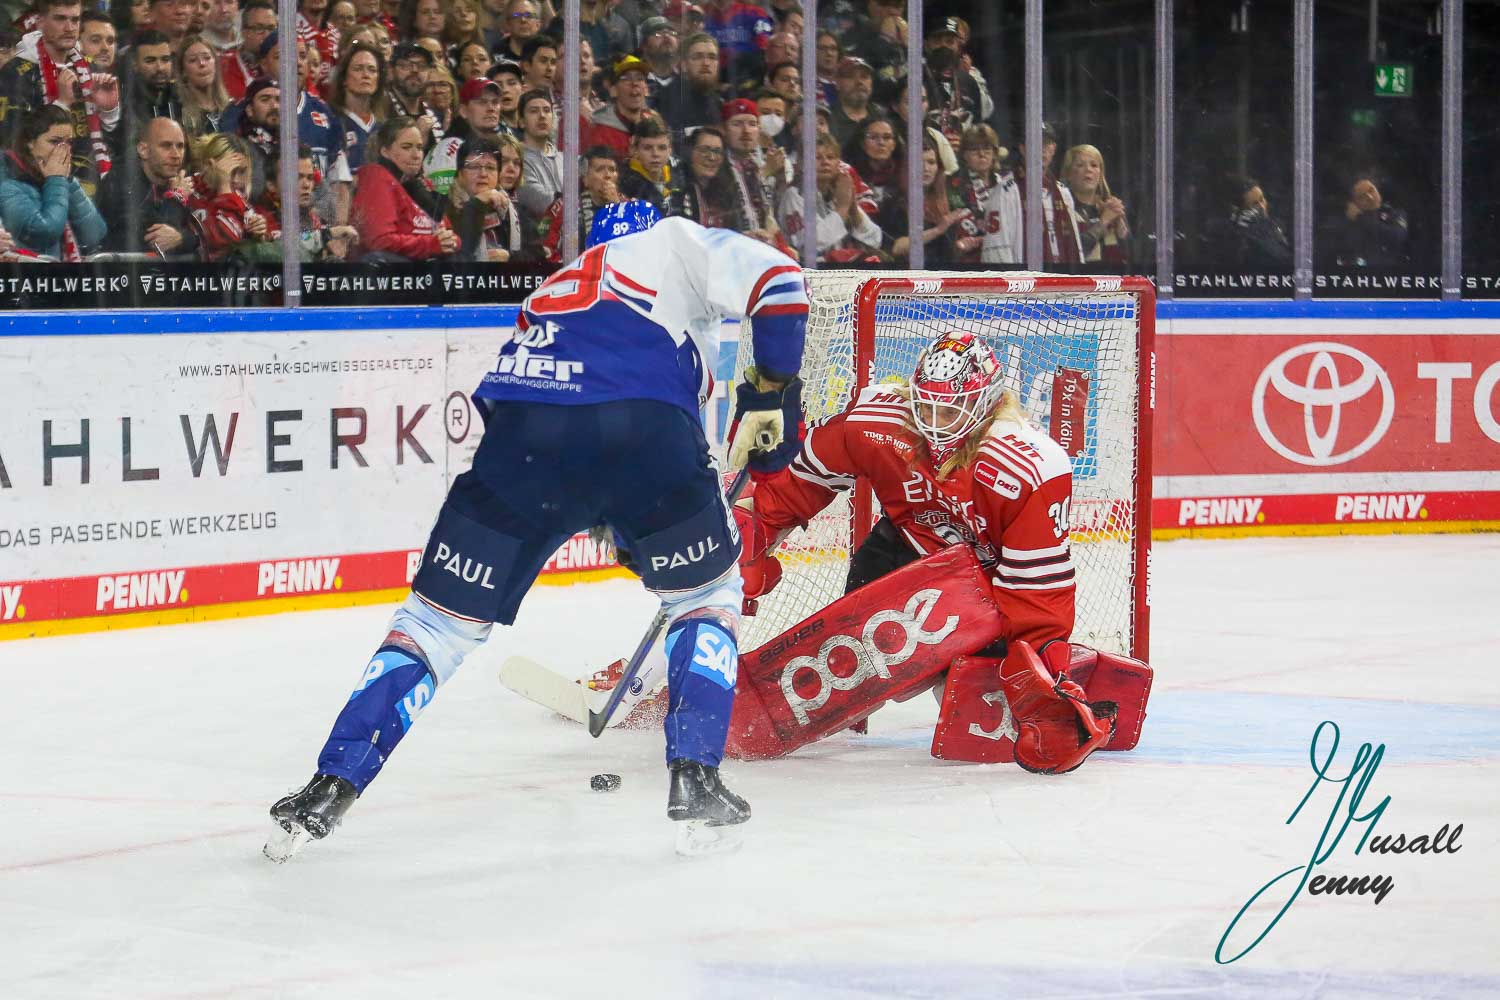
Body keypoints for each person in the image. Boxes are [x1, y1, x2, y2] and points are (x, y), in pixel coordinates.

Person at [264, 203, 809, 861]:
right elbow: (780, 281)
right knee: (704, 596)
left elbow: (547, 415)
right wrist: (774, 387)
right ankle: (696, 777)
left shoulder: (553, 294)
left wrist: (602, 507)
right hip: (643, 429)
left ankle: (330, 785)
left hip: (519, 443)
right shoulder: (673, 242)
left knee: (435, 626)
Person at [717, 331, 1122, 772]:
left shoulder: (1029, 465)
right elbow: (807, 473)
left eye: (948, 408)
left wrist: (1037, 662)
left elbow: (1035, 582)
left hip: (988, 586)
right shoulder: (876, 422)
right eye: (924, 404)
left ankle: (1043, 677)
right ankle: (751, 695)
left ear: (986, 403)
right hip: (901, 554)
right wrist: (757, 529)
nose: (933, 420)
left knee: (977, 693)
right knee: (855, 658)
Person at [0, 0, 119, 199]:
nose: (69, 27)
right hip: (35, 188)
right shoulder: (17, 72)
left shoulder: (91, 69)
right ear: (40, 21)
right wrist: (61, 105)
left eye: (75, 19)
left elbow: (111, 139)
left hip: (93, 186)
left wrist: (109, 110)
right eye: (60, 19)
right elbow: (10, 137)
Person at [0, 103, 107, 257]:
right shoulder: (6, 179)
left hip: (51, 276)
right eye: (55, 142)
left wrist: (66, 181)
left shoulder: (58, 178)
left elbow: (94, 234)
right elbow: (44, 233)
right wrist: (56, 179)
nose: (63, 149)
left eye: (68, 142)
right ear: (30, 143)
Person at [350, 114, 457, 260]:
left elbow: (451, 235)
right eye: (407, 147)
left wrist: (448, 241)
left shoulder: (414, 185)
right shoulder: (376, 177)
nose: (416, 155)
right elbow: (379, 241)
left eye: (419, 148)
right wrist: (431, 244)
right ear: (385, 151)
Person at [95, 114, 199, 257]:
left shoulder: (181, 182)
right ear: (143, 150)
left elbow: (202, 236)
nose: (176, 155)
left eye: (180, 146)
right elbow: (153, 239)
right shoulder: (121, 182)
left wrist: (182, 238)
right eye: (166, 146)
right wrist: (176, 197)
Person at [250, 143, 360, 260]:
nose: (307, 185)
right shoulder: (258, 219)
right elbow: (280, 249)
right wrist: (328, 235)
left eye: (310, 178)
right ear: (271, 185)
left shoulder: (312, 220)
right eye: (297, 178)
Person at [444, 133, 540, 261]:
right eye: (474, 167)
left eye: (490, 167)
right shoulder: (444, 210)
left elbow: (539, 256)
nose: (483, 174)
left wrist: (510, 258)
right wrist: (477, 204)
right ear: (460, 174)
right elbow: (456, 260)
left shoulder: (513, 211)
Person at [187, 130, 270, 259]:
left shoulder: (240, 199)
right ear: (209, 165)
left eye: (241, 172)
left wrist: (258, 233)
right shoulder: (187, 190)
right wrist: (224, 187)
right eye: (230, 171)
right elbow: (223, 240)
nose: (236, 180)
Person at [947, 124, 1020, 265]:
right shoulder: (953, 184)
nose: (982, 154)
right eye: (974, 150)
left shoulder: (1007, 184)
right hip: (966, 264)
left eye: (987, 148)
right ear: (964, 155)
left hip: (1004, 259)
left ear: (994, 153)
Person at [424, 76, 505, 195]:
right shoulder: (449, 150)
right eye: (482, 102)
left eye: (495, 102)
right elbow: (441, 204)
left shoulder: (494, 145)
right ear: (464, 111)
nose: (491, 108)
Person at [1060, 143, 1128, 268]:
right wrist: (1103, 223)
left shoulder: (1109, 209)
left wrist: (1121, 226)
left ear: (1100, 174)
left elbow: (1132, 256)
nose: (1088, 170)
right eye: (1080, 165)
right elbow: (1069, 253)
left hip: (1114, 284)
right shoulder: (1063, 210)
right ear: (1068, 174)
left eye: (1094, 165)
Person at [1323, 174, 1409, 271]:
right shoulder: (1346, 221)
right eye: (1362, 196)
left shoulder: (1395, 213)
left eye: (1371, 190)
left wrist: (1360, 217)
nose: (1370, 197)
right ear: (1354, 202)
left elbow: (1397, 237)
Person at [667, 122, 744, 229]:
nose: (712, 157)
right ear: (689, 152)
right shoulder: (676, 191)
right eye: (704, 150)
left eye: (717, 151)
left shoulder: (727, 192)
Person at [327, 42, 386, 173]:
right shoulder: (330, 120)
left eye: (372, 70)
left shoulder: (384, 127)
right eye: (358, 68)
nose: (366, 75)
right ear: (344, 78)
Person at [655, 31, 721, 144]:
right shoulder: (664, 100)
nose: (706, 63)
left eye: (712, 57)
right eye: (697, 57)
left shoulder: (719, 104)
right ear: (684, 65)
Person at [583, 53, 651, 160]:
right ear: (613, 90)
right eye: (626, 78)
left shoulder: (653, 123)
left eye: (640, 78)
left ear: (646, 89)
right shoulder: (600, 132)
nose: (634, 83)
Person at [515, 86, 562, 217]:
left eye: (547, 111)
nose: (542, 116)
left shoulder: (566, 159)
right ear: (522, 122)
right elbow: (543, 203)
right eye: (534, 111)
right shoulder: (516, 159)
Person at [177, 34, 232, 137]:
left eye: (207, 58)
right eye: (193, 60)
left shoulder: (232, 110)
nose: (202, 64)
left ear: (215, 64)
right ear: (183, 71)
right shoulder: (179, 115)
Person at [220, 0, 276, 100]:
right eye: (259, 28)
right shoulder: (224, 65)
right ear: (243, 32)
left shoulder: (286, 65)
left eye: (271, 29)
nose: (267, 35)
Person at [618, 111, 672, 211]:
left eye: (662, 148)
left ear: (670, 150)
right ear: (635, 150)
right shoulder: (626, 185)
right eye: (647, 148)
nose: (655, 154)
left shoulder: (678, 176)